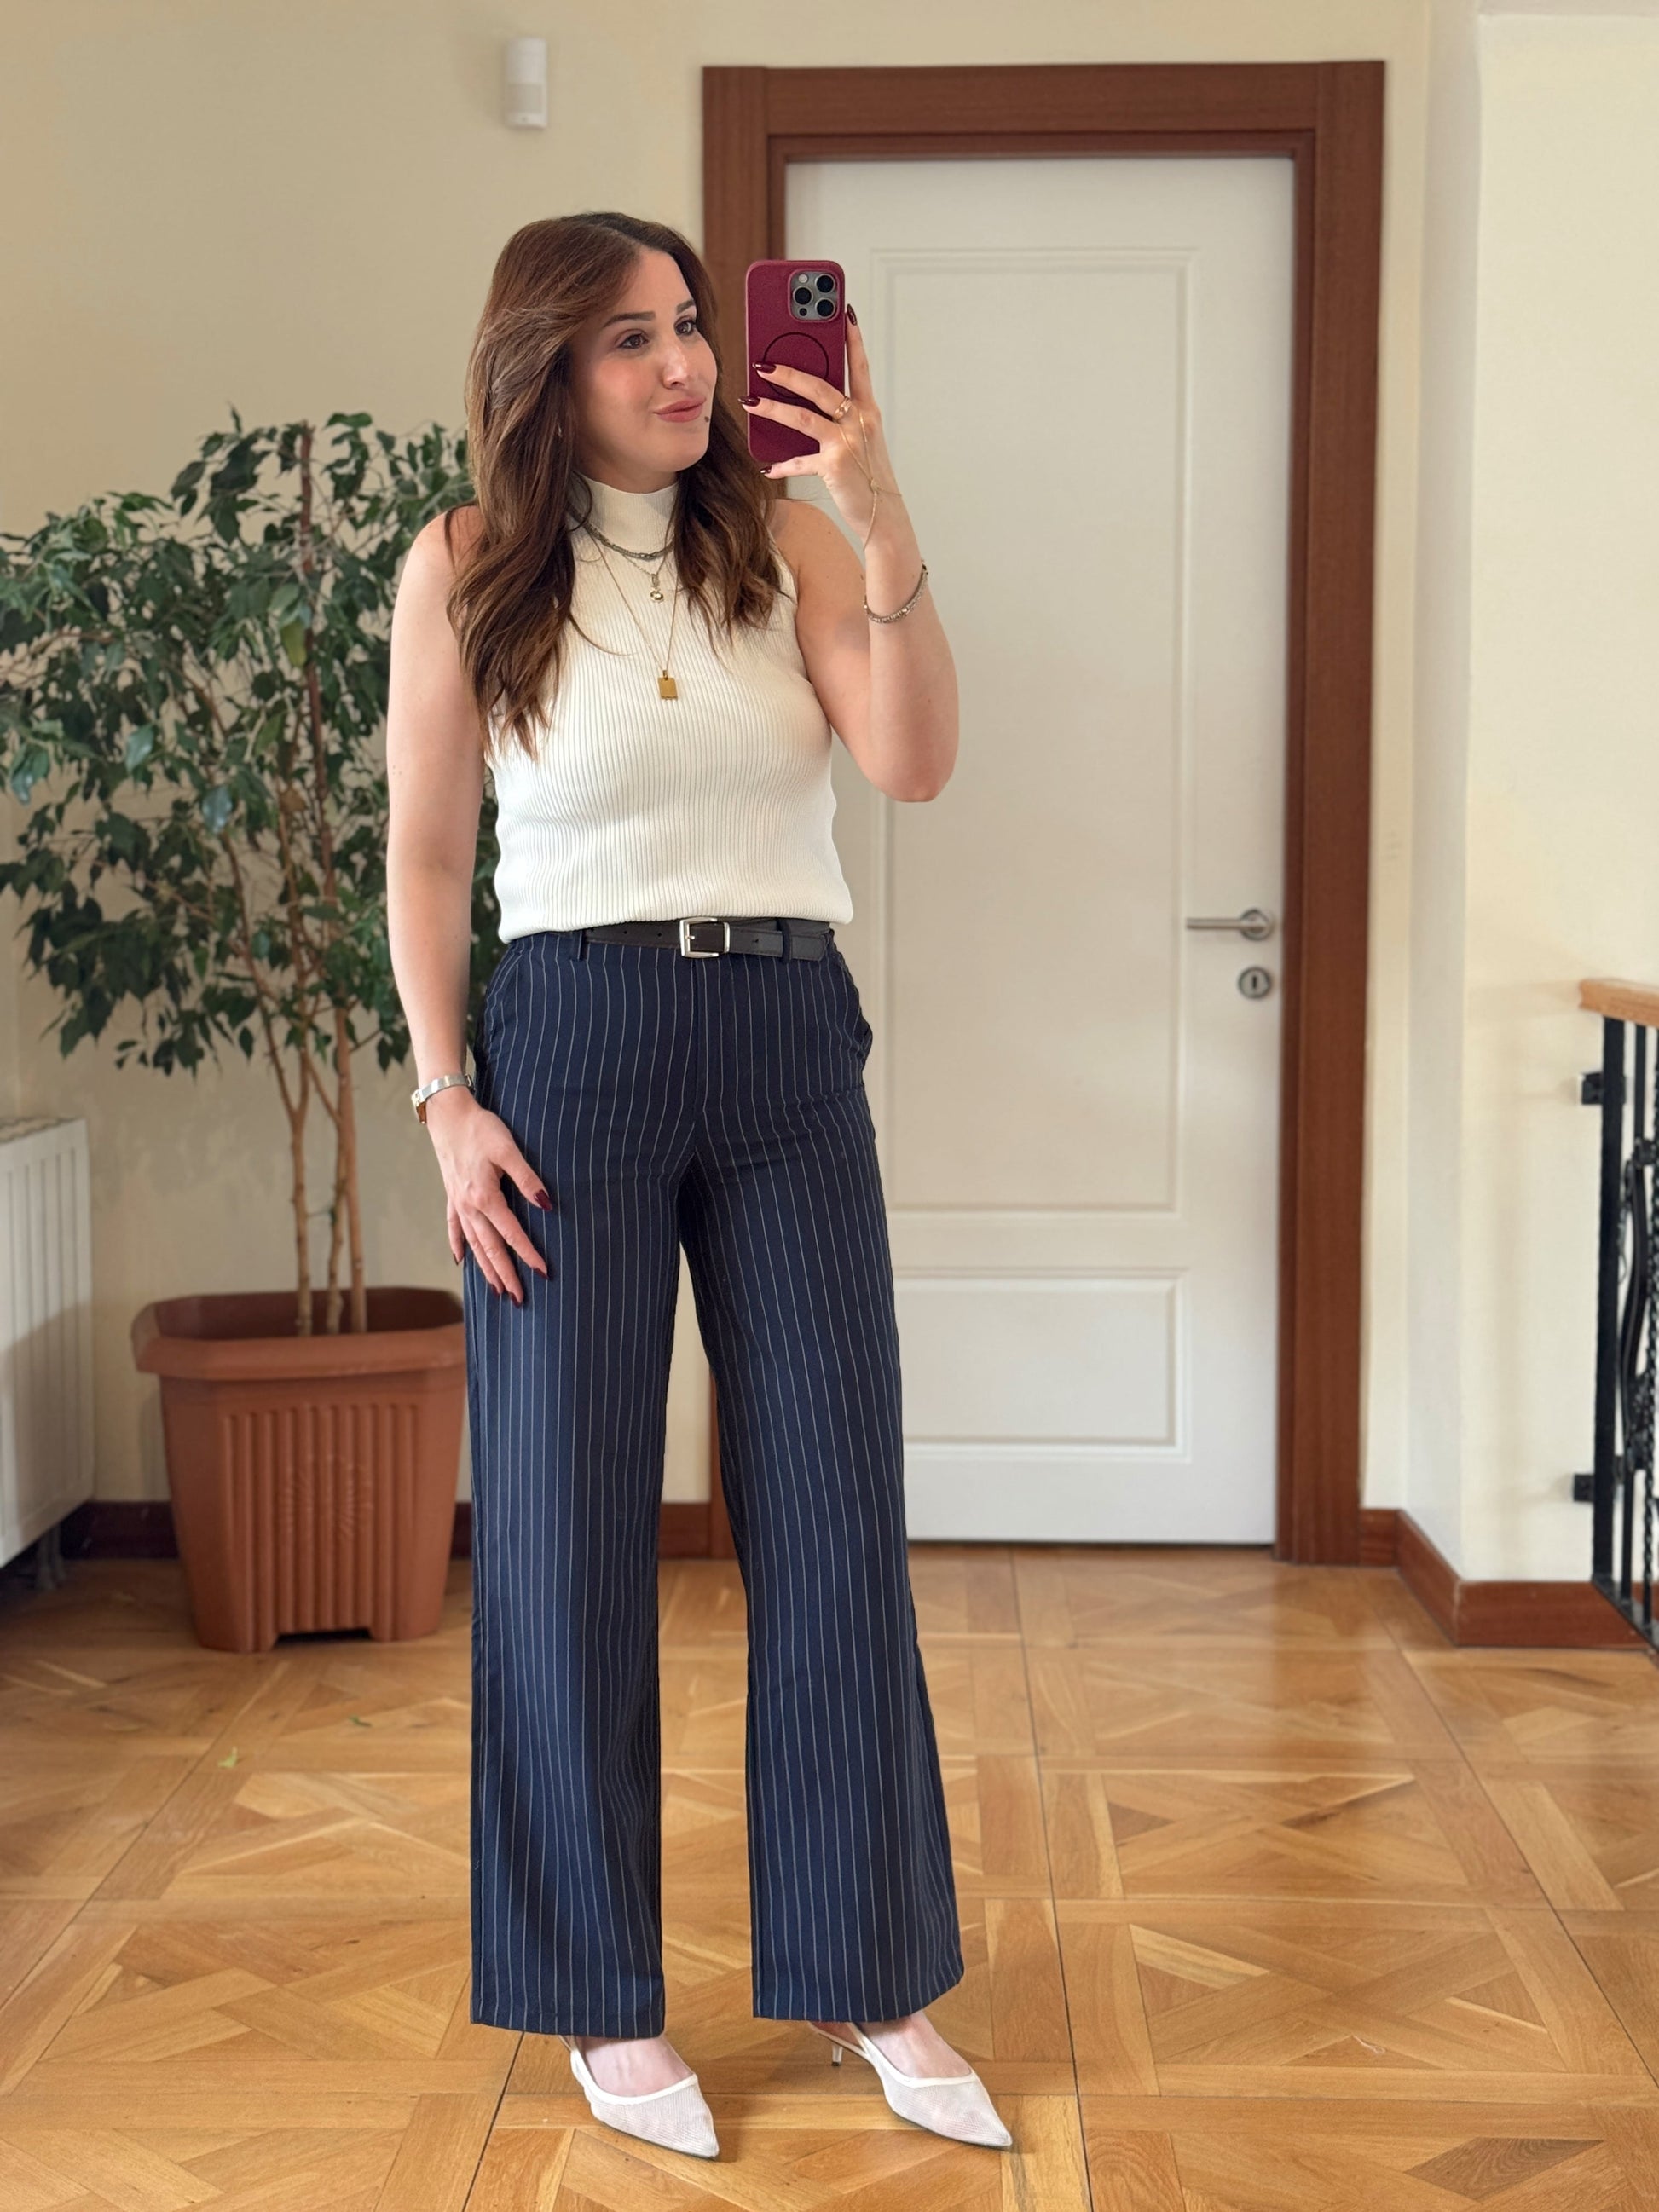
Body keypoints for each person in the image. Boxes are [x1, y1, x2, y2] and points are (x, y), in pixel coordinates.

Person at [385, 211, 1010, 2160]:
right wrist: (445, 1096)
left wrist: (880, 516)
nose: (680, 365)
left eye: (687, 326)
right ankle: (594, 1988)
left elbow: (912, 764)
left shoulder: (790, 539)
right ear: (544, 369)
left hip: (782, 1040)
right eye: (629, 337)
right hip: (566, 1043)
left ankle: (867, 1963)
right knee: (564, 1525)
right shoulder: (467, 563)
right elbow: (426, 851)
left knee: (832, 1504)